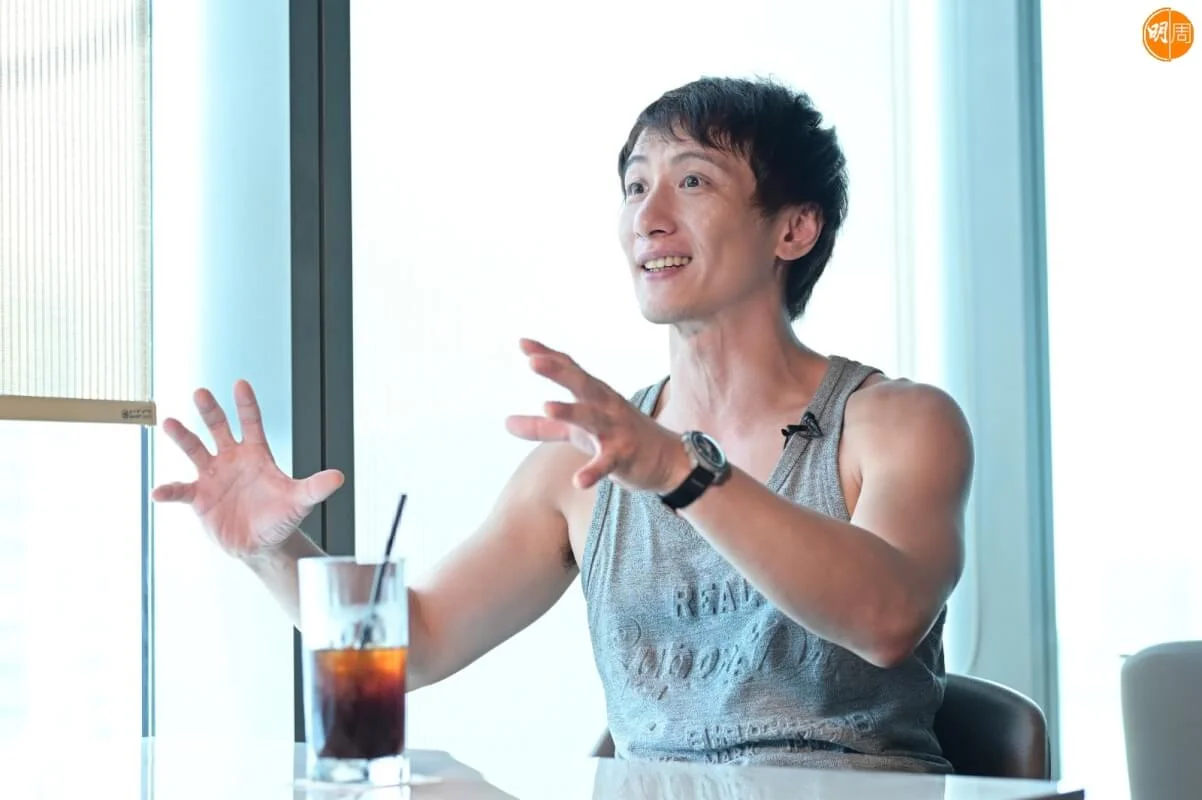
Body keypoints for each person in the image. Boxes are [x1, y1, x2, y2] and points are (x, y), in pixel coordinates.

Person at [153, 76, 973, 774]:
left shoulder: (897, 424)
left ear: (793, 228)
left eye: (692, 182)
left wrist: (681, 473)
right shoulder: (584, 465)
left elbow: (886, 619)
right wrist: (271, 551)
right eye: (635, 186)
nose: (648, 217)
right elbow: (418, 642)